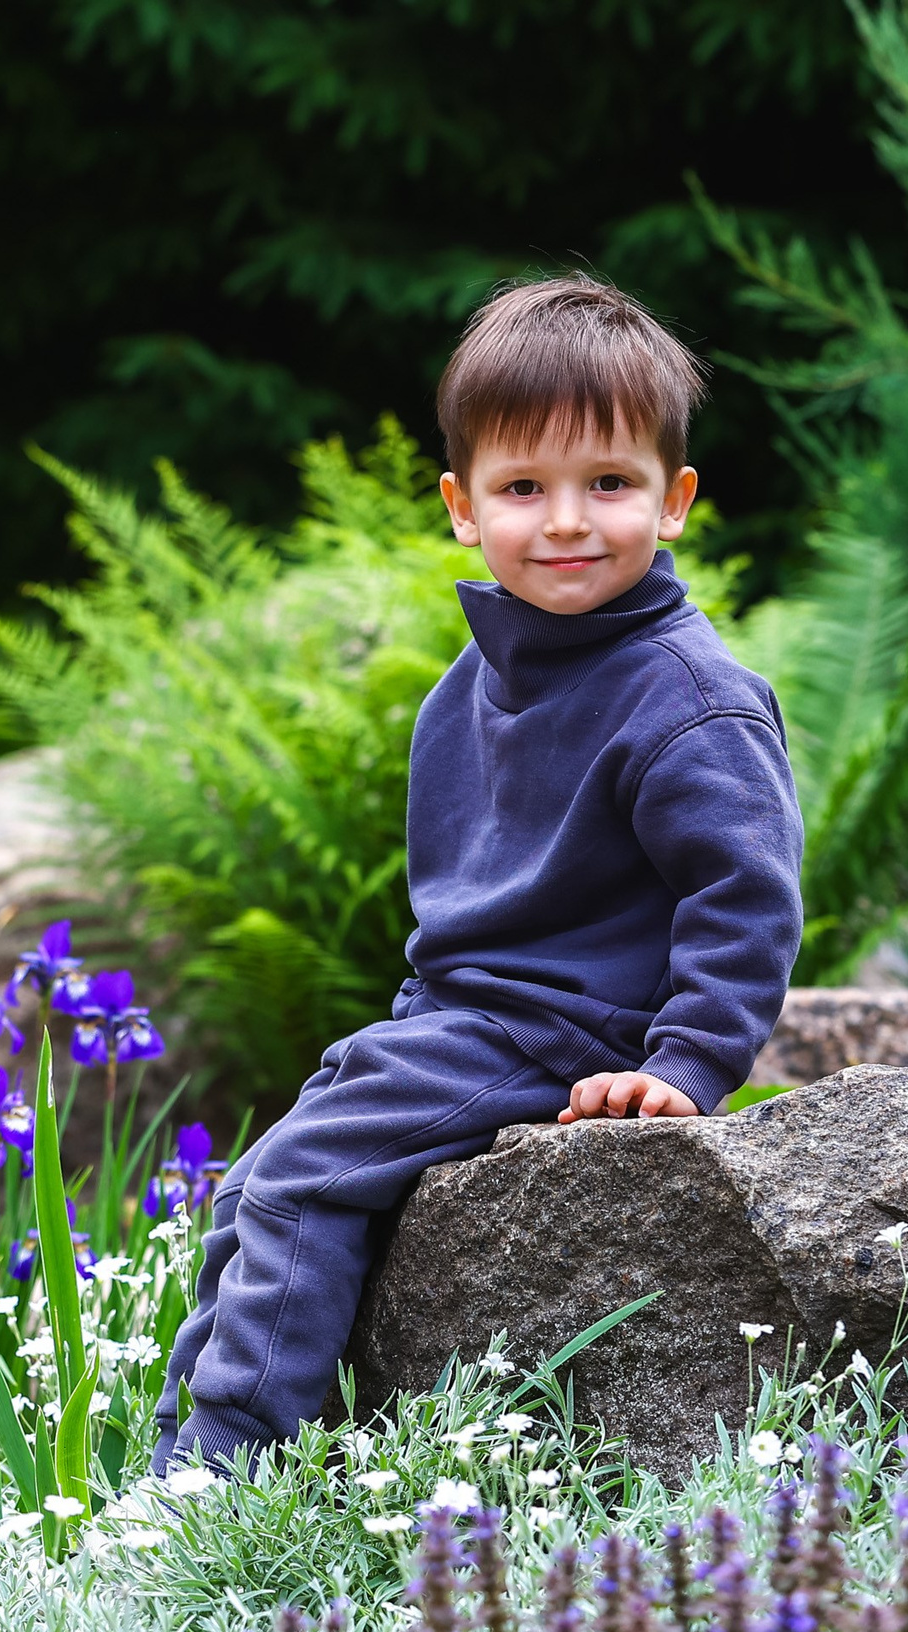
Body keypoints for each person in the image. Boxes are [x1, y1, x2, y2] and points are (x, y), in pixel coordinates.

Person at [150, 274, 805, 1474]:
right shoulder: (473, 684)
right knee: (249, 1186)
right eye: (523, 488)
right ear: (462, 507)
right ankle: (172, 1460)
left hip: (562, 1031)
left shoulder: (688, 700)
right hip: (457, 1021)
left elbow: (745, 896)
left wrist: (684, 1065)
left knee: (298, 1183)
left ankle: (222, 1480)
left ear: (674, 501)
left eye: (609, 484)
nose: (566, 521)